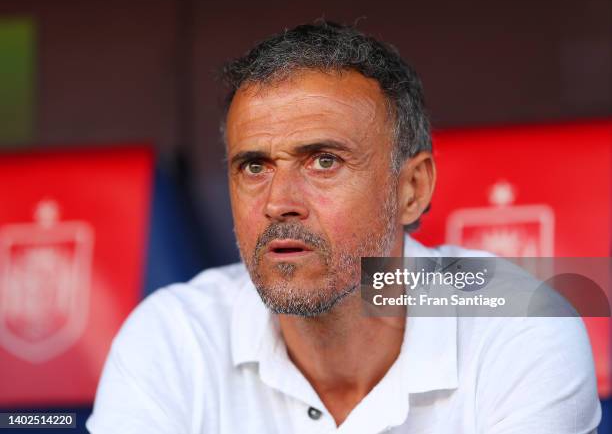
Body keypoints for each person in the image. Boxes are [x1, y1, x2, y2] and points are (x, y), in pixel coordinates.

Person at [86, 22, 601, 433]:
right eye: (254, 167)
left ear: (412, 189)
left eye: (324, 162)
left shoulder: (522, 323)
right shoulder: (173, 336)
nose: (278, 203)